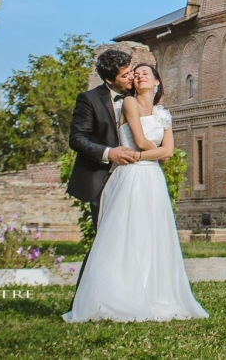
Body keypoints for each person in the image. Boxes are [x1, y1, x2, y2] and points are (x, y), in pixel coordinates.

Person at [63, 63, 207, 322]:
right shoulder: (129, 103)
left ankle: (152, 294)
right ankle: (117, 296)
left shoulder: (163, 113)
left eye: (145, 74)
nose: (139, 77)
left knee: (152, 234)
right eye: (135, 74)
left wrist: (145, 155)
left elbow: (169, 152)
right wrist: (153, 153)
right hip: (131, 174)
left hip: (151, 177)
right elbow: (143, 142)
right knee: (125, 234)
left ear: (157, 83)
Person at [65, 47, 139, 302]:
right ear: (109, 79)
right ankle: (86, 301)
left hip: (137, 179)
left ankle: (129, 297)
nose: (132, 77)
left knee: (135, 240)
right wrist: (109, 153)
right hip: (103, 178)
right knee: (105, 241)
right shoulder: (89, 99)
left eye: (131, 71)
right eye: (125, 75)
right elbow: (77, 139)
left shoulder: (142, 95)